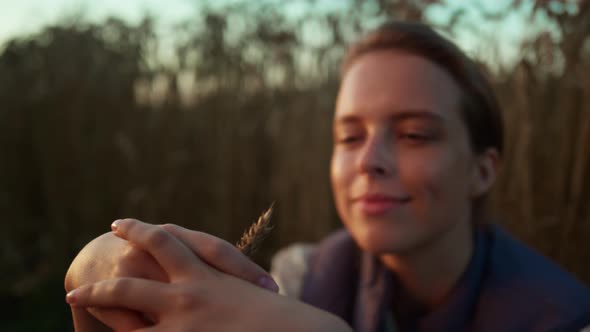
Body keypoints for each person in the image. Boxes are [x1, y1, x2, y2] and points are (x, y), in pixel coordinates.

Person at [65, 21, 590, 332]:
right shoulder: (299, 277)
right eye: (349, 136)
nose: (369, 160)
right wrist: (104, 263)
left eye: (413, 134)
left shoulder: (562, 317)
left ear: (483, 170)